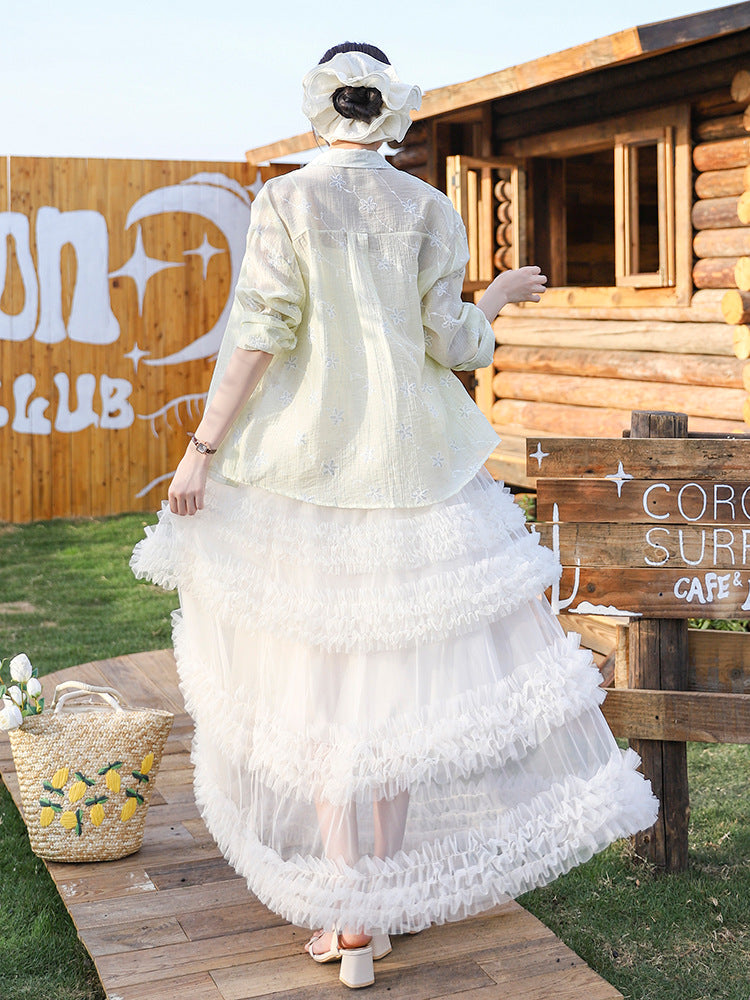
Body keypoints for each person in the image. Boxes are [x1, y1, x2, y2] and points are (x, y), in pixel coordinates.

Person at [132, 42, 658, 990]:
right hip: (417, 475)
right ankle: (375, 904)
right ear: (391, 113)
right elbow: (449, 340)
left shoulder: (286, 202)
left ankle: (350, 920)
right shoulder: (425, 206)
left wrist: (202, 446)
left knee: (325, 692)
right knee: (395, 696)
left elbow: (258, 333)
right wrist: (497, 300)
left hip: (308, 477)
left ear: (322, 106)